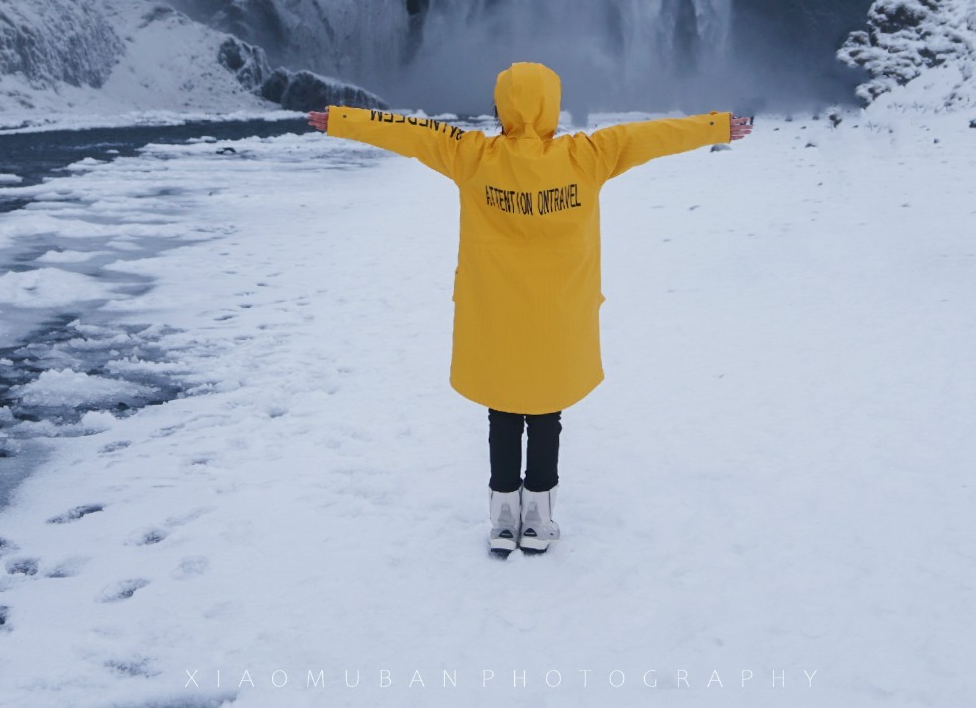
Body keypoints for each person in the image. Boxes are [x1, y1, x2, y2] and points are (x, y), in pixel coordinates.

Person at [308, 61, 753, 557]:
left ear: (500, 107)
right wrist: (716, 127)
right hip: (558, 315)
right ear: (552, 106)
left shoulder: (471, 155)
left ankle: (503, 517)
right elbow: (650, 136)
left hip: (495, 313)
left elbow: (412, 133)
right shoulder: (588, 156)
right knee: (545, 415)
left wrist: (341, 120)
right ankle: (538, 517)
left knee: (503, 412)